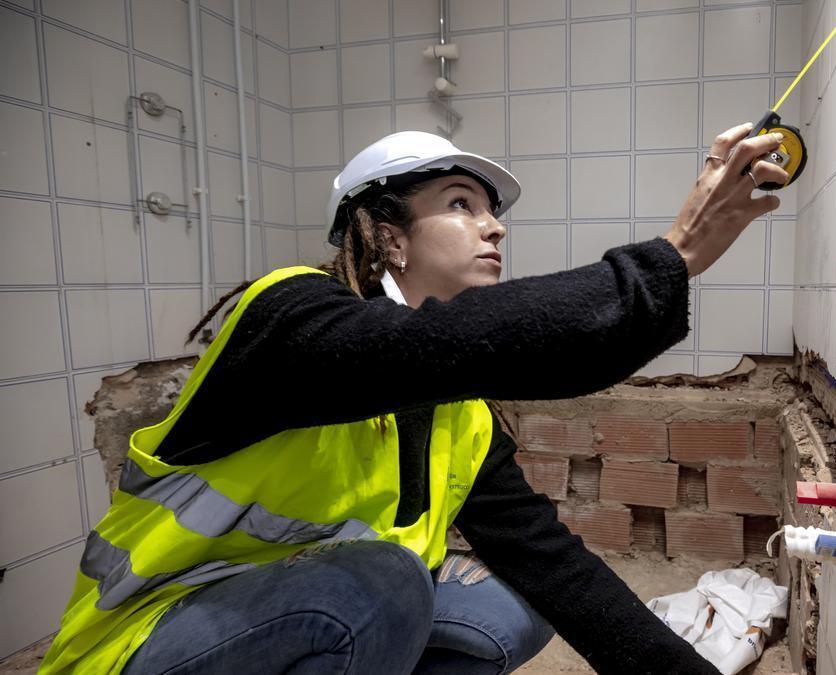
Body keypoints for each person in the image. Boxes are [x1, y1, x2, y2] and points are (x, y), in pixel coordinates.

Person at [39, 124, 789, 674]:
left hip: (291, 617)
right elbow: (460, 341)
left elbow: (553, 563)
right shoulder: (290, 321)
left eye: (492, 211)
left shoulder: (458, 411)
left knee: (518, 600)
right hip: (146, 641)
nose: (493, 225)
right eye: (461, 203)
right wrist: (672, 257)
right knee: (384, 584)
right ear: (388, 237)